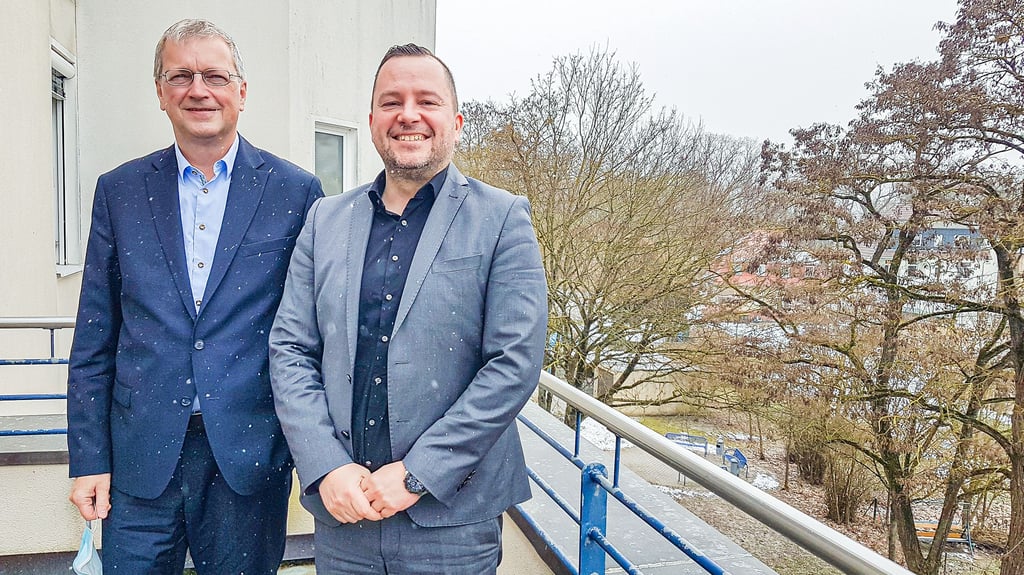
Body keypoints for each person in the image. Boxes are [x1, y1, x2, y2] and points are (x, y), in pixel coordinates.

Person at [269, 43, 548, 573]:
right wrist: (326, 467)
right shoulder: (323, 220)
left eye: (428, 101)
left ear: (457, 120)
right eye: (392, 101)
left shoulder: (502, 218)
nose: (409, 115)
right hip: (344, 514)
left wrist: (419, 471)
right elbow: (290, 349)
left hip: (453, 519)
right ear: (373, 120)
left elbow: (513, 363)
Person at [66, 19, 323, 574]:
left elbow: (312, 335)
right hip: (139, 461)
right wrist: (88, 460)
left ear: (242, 92)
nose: (198, 89)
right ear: (160, 92)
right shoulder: (119, 191)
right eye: (180, 75)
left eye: (214, 75)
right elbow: (95, 336)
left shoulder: (297, 193)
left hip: (248, 459)